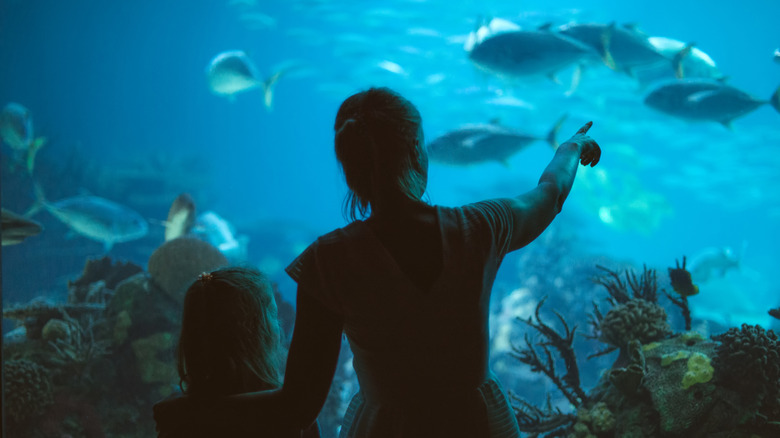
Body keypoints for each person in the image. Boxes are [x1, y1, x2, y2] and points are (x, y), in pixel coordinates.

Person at [154, 87, 601, 437]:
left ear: (350, 173)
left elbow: (297, 406)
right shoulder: (480, 228)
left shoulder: (328, 262)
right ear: (417, 154)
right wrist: (570, 148)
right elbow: (549, 195)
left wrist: (194, 412)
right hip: (476, 423)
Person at [153, 266, 321, 438]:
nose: (280, 324)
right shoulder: (292, 416)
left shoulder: (174, 419)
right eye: (273, 314)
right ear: (258, 332)